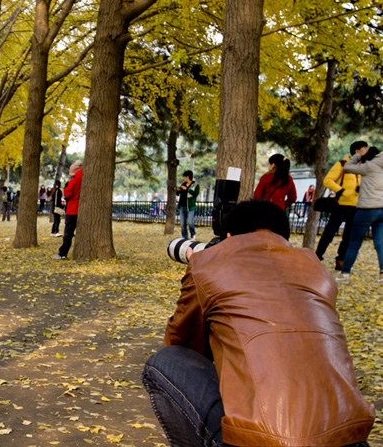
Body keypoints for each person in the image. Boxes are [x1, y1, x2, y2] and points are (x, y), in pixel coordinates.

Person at [142, 199, 375, 447]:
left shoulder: (208, 262)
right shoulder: (316, 268)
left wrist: (199, 264)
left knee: (164, 362)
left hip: (264, 440)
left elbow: (183, 345)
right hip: (351, 438)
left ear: (228, 236)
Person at [315, 141, 367, 271]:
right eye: (364, 149)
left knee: (348, 235)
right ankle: (317, 256)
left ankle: (341, 259)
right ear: (357, 151)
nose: (367, 151)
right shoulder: (342, 164)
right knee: (330, 232)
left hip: (356, 205)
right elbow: (328, 180)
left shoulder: (364, 166)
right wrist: (340, 190)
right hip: (341, 204)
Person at [338, 146, 383, 282]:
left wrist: (358, 155)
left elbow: (347, 167)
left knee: (354, 243)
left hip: (366, 209)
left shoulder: (368, 167)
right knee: (380, 242)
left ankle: (345, 273)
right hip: (381, 209)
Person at [54, 160, 82, 260]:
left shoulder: (73, 181)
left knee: (68, 233)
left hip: (72, 210)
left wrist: (66, 189)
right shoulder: (84, 180)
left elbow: (68, 194)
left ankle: (62, 253)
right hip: (81, 210)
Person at [176, 170, 200, 240]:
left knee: (190, 222)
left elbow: (195, 194)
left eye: (184, 177)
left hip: (190, 206)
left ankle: (193, 234)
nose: (183, 178)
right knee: (182, 224)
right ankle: (185, 237)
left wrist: (187, 189)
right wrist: (177, 190)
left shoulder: (195, 185)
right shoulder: (183, 184)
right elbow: (178, 194)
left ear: (188, 177)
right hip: (182, 206)